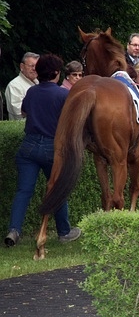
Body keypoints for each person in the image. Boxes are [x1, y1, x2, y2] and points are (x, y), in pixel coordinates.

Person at [5, 54, 81, 247]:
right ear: (56, 73)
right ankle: (64, 231)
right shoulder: (63, 94)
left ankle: (14, 230)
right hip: (52, 146)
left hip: (29, 145)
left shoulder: (31, 92)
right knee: (57, 188)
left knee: (23, 191)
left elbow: (23, 112)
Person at [5, 52, 40, 120]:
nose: (34, 69)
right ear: (22, 67)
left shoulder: (38, 83)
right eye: (31, 66)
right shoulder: (15, 85)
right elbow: (18, 113)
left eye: (37, 66)